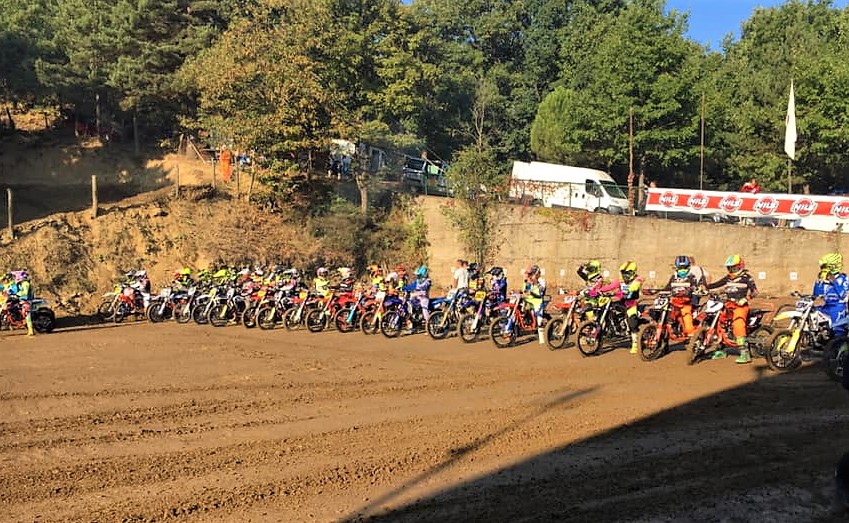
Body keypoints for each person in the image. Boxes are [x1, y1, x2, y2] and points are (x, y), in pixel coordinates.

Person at [707, 254, 759, 363]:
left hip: (740, 306)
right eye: (729, 267)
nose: (731, 270)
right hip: (728, 305)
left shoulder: (746, 277)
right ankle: (720, 349)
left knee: (738, 324)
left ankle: (744, 353)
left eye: (733, 267)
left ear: (740, 266)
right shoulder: (728, 278)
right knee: (719, 323)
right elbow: (716, 284)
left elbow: (755, 291)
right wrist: (705, 287)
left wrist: (746, 298)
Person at [661, 256, 700, 339]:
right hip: (674, 301)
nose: (682, 270)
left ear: (688, 267)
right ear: (676, 267)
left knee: (687, 319)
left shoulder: (691, 277)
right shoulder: (674, 277)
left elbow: (695, 287)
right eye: (680, 267)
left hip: (686, 302)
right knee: (665, 313)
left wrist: (691, 290)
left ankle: (691, 336)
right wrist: (659, 292)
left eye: (684, 267)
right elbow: (667, 287)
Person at [813, 253, 849, 338]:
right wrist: (819, 282)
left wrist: (834, 281)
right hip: (826, 306)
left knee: (837, 331)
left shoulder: (843, 279)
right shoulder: (824, 280)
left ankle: (838, 348)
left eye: (825, 266)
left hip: (838, 308)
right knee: (813, 315)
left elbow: (843, 295)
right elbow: (816, 295)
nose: (823, 269)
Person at [618, 261, 644, 354]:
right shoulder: (620, 281)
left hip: (632, 303)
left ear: (633, 273)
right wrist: (597, 291)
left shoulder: (638, 279)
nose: (625, 276)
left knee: (632, 322)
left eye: (627, 273)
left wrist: (629, 291)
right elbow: (611, 286)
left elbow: (635, 286)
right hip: (622, 302)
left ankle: (635, 344)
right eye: (623, 273)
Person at [523, 264, 547, 344]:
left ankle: (542, 339)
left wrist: (535, 281)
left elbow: (541, 289)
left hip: (538, 301)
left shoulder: (542, 281)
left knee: (539, 318)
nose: (530, 275)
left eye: (531, 274)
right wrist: (526, 281)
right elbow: (525, 290)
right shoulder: (529, 281)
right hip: (529, 301)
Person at [9, 270, 34, 336]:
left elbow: (24, 292)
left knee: (26, 313)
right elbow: (13, 290)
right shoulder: (20, 284)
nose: (14, 278)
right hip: (21, 299)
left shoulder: (25, 283)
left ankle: (30, 330)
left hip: (27, 300)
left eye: (15, 276)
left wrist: (17, 294)